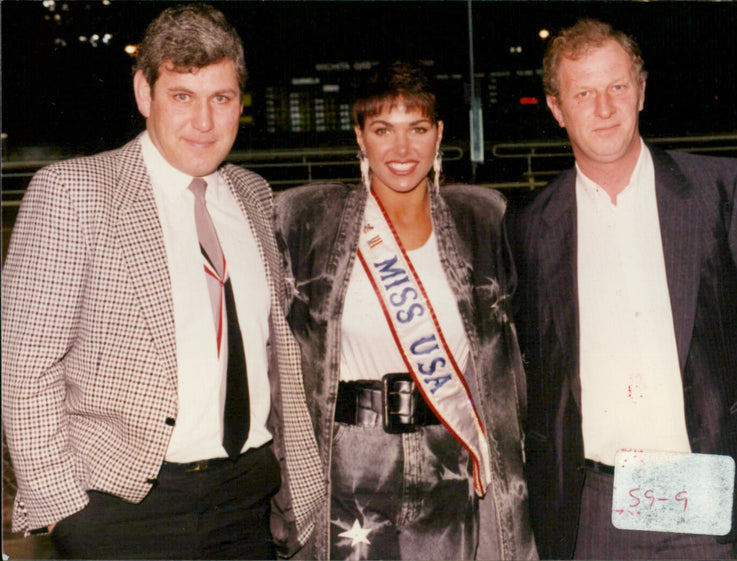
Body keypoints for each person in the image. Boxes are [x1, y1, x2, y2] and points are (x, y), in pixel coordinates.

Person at [1, 4, 324, 559]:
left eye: (220, 99)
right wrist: (64, 510)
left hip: (246, 501)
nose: (204, 122)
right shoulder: (74, 194)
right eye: (182, 96)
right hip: (121, 509)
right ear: (144, 94)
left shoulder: (253, 194)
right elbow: (23, 364)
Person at [509, 18, 737, 560]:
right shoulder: (531, 225)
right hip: (593, 505)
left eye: (617, 87)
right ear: (556, 108)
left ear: (641, 91)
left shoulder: (718, 191)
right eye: (584, 93)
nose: (603, 108)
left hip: (703, 488)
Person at [273, 61, 538, 561]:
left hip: (450, 453)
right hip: (351, 458)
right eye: (382, 130)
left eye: (417, 129)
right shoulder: (306, 222)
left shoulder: (485, 219)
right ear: (360, 136)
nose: (401, 150)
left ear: (439, 135)